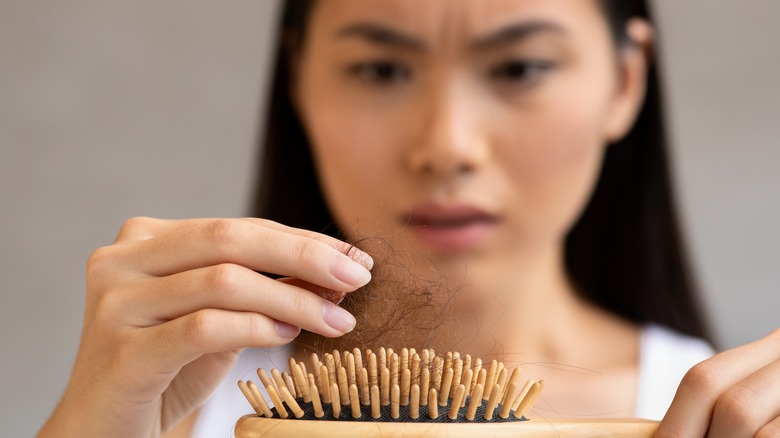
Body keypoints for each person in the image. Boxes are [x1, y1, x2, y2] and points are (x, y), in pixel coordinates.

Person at [38, 1, 780, 437]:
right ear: (298, 75)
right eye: (382, 70)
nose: (446, 146)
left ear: (624, 81)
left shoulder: (721, 413)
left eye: (520, 68)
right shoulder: (166, 396)